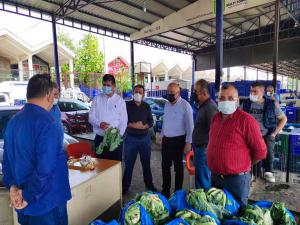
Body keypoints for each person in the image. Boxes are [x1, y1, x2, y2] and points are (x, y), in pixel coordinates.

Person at [2, 74, 71, 225]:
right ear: (47, 94)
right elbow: (45, 169)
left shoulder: (13, 121)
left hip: (23, 204)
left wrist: (13, 188)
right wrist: (27, 195)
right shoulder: (46, 122)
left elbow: (6, 162)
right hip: (46, 203)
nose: (54, 99)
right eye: (53, 95)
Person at [207, 84, 267, 208]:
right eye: (222, 98)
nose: (225, 101)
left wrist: (243, 164)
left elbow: (261, 152)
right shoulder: (215, 119)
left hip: (236, 181)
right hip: (215, 177)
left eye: (230, 98)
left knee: (236, 214)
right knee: (216, 211)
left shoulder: (247, 121)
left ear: (237, 100)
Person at [242, 82, 287, 182]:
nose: (252, 93)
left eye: (255, 91)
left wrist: (274, 134)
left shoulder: (271, 104)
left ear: (262, 92)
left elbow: (283, 119)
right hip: (250, 135)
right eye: (251, 91)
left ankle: (268, 172)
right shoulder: (246, 103)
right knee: (250, 155)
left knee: (268, 152)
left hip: (266, 134)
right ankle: (252, 173)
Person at [161, 82, 194, 198]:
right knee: (165, 167)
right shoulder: (167, 105)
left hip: (179, 141)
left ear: (178, 93)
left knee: (178, 168)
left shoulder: (185, 105)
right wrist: (162, 135)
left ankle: (177, 193)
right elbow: (166, 121)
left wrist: (188, 143)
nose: (170, 95)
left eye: (172, 93)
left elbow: (190, 126)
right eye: (168, 92)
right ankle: (165, 191)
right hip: (166, 140)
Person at [122, 85, 157, 195]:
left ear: (143, 94)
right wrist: (132, 125)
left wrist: (143, 126)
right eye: (136, 91)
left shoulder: (146, 106)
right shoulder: (126, 105)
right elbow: (121, 121)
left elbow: (151, 122)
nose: (137, 94)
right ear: (133, 93)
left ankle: (149, 184)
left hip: (144, 140)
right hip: (130, 139)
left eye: (140, 92)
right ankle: (124, 187)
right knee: (129, 164)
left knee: (146, 164)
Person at [89, 74, 127, 161]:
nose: (106, 87)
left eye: (108, 85)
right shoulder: (97, 99)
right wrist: (99, 124)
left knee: (115, 167)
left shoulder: (120, 101)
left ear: (114, 86)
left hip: (115, 140)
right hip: (100, 139)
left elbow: (124, 121)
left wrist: (118, 137)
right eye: (104, 85)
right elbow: (91, 117)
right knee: (101, 167)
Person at [192, 79, 218, 191]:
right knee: (199, 177)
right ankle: (200, 199)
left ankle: (204, 204)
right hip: (199, 148)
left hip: (204, 149)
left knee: (203, 180)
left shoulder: (210, 107)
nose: (194, 94)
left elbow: (214, 130)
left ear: (204, 93)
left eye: (196, 91)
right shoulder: (202, 105)